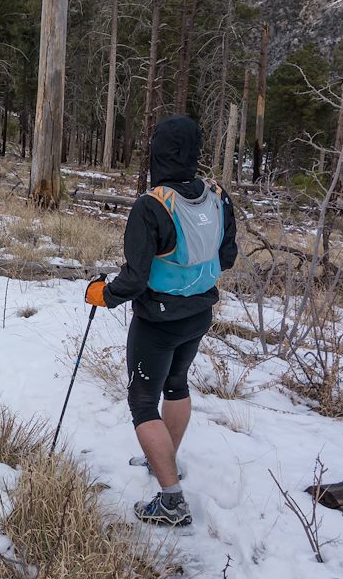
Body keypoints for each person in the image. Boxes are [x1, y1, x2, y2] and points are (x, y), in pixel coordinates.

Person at [85, 115, 238, 527]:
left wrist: (103, 294)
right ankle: (163, 460)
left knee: (141, 402)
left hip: (157, 320)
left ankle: (171, 501)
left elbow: (134, 280)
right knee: (177, 385)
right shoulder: (218, 197)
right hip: (199, 313)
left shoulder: (151, 204)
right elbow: (227, 258)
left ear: (157, 151)